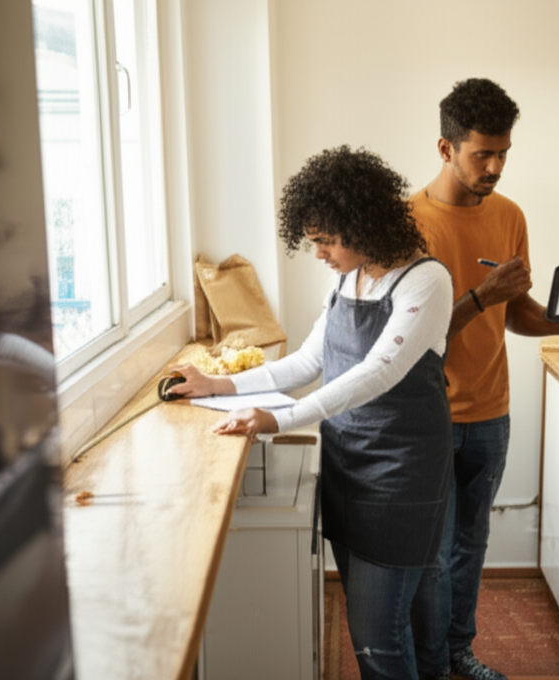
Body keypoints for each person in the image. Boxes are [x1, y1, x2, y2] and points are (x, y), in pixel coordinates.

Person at [167, 145, 455, 680]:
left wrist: (278, 418)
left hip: (401, 476)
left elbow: (378, 373)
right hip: (348, 462)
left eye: (325, 239)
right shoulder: (348, 276)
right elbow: (308, 360)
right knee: (379, 627)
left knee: (379, 641)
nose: (318, 252)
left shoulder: (426, 282)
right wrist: (219, 383)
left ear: (360, 224)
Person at [408, 78, 559, 680]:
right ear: (445, 149)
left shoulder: (510, 216)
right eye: (481, 155)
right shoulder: (409, 222)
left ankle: (460, 653)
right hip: (430, 416)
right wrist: (480, 294)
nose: (494, 167)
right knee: (434, 558)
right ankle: (432, 665)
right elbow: (411, 335)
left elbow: (516, 312)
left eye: (503, 154)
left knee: (471, 548)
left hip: (492, 413)